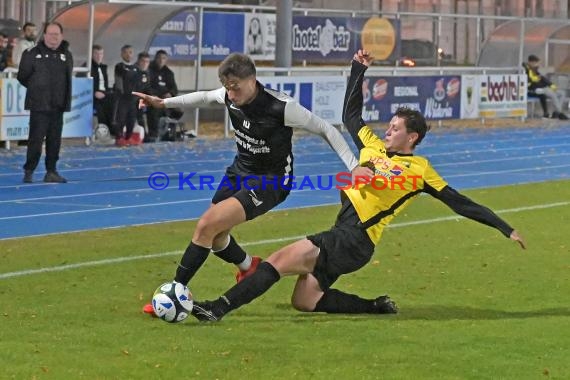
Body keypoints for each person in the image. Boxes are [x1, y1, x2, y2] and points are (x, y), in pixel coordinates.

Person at [186, 50, 526, 322]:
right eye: (389, 125)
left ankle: (217, 308)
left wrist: (503, 227)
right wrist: (357, 70)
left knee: (278, 260)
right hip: (346, 235)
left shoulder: (420, 170)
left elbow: (458, 202)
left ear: (413, 137)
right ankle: (375, 307)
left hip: (356, 238)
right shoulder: (372, 147)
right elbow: (351, 116)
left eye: (395, 128)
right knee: (305, 301)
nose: (388, 130)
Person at [133, 52, 366, 316]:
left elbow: (327, 128)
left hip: (271, 181)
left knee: (206, 225)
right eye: (228, 88)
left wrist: (354, 165)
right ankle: (248, 267)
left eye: (236, 88)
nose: (231, 95)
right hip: (239, 171)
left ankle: (174, 293)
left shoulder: (281, 106)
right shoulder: (228, 96)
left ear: (252, 80)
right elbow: (203, 96)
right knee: (217, 236)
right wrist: (162, 103)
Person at [18, 22, 73, 184]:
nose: (53, 37)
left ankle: (51, 171)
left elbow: (67, 79)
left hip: (58, 106)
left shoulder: (66, 55)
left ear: (61, 36)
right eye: (50, 34)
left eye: (56, 34)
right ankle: (29, 170)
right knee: (35, 139)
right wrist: (37, 89)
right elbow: (22, 76)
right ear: (44, 35)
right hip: (39, 105)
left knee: (54, 140)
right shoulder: (32, 53)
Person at [146, 50, 179, 142]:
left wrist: (170, 94)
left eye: (163, 58)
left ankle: (169, 132)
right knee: (155, 108)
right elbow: (147, 87)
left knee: (178, 109)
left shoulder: (169, 72)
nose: (161, 60)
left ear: (166, 60)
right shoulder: (149, 70)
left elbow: (174, 88)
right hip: (153, 98)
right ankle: (153, 134)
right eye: (159, 58)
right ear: (155, 58)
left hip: (165, 99)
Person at [523, 54, 568, 120]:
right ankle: (560, 113)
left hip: (544, 88)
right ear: (531, 62)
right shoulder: (527, 70)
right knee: (553, 95)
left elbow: (543, 79)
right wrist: (531, 73)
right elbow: (530, 80)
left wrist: (551, 85)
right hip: (536, 89)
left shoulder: (535, 70)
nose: (537, 64)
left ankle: (556, 112)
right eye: (535, 63)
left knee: (562, 93)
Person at [113, 44, 140, 145]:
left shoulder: (136, 68)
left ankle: (128, 137)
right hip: (123, 98)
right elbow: (118, 81)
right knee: (121, 118)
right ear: (122, 54)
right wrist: (121, 93)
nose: (128, 55)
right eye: (126, 52)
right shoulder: (119, 66)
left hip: (133, 99)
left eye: (130, 52)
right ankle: (119, 137)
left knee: (131, 119)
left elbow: (138, 83)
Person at [90, 45, 112, 128]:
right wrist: (94, 92)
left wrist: (106, 92)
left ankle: (114, 130)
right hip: (93, 95)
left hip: (104, 93)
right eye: (96, 53)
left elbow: (106, 85)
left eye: (101, 54)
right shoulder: (88, 66)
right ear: (91, 54)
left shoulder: (104, 67)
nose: (99, 56)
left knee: (117, 102)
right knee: (101, 107)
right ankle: (103, 129)